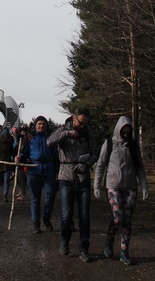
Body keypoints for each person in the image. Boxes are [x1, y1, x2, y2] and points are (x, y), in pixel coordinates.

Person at [94, 116, 149, 265]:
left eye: (128, 132)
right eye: (123, 132)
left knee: (127, 219)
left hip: (130, 187)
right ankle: (109, 241)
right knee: (118, 217)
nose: (125, 135)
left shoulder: (133, 145)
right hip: (113, 186)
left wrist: (144, 186)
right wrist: (97, 185)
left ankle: (124, 251)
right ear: (118, 130)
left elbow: (139, 167)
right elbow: (100, 164)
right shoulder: (109, 144)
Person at [47, 107, 98, 262]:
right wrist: (67, 134)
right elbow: (49, 141)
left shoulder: (88, 134)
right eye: (81, 123)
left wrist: (87, 164)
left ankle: (84, 248)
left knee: (84, 216)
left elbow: (96, 152)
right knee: (66, 214)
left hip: (83, 178)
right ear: (73, 118)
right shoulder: (62, 130)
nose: (82, 126)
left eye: (85, 124)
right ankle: (65, 240)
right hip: (66, 177)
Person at [17, 116, 58, 234]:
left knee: (50, 197)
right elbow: (23, 153)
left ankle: (46, 218)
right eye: (39, 124)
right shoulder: (29, 138)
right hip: (34, 171)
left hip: (49, 171)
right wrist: (18, 158)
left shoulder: (50, 139)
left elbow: (56, 155)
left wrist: (57, 169)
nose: (41, 126)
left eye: (43, 124)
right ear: (35, 125)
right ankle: (36, 223)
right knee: (35, 199)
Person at [0, 128, 14, 201]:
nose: (5, 138)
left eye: (6, 137)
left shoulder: (9, 144)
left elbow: (12, 152)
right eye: (4, 136)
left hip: (7, 164)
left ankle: (5, 195)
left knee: (6, 180)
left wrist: (15, 158)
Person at [12, 125, 29, 201]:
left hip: (23, 162)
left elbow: (25, 151)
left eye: (24, 132)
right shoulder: (17, 139)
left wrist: (20, 156)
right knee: (17, 178)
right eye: (22, 132)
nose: (23, 133)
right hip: (16, 160)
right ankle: (21, 191)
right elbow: (14, 148)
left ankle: (24, 194)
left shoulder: (26, 141)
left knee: (21, 178)